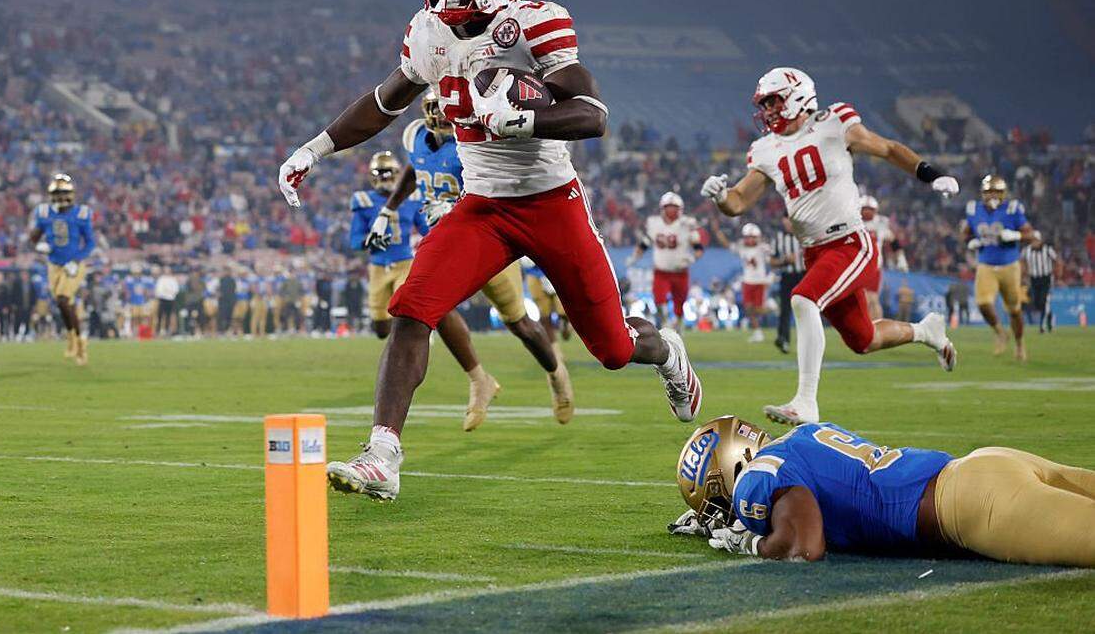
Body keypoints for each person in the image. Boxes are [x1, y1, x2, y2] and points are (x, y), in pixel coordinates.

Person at [278, 0, 702, 501]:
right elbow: (384, 103)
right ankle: (383, 453)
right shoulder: (429, 32)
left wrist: (528, 118)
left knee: (612, 348)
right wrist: (315, 147)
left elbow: (593, 115)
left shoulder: (533, 22)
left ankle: (669, 353)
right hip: (482, 208)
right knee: (411, 309)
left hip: (552, 202)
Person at [702, 67, 957, 426]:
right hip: (815, 251)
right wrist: (720, 197)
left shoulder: (834, 122)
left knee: (803, 299)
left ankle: (806, 402)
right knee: (863, 339)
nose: (769, 110)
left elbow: (886, 148)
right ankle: (926, 331)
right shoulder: (764, 149)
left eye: (773, 101)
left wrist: (930, 174)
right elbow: (739, 202)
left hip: (850, 241)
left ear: (798, 95)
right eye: (765, 104)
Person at [371, 91, 574, 429]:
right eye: (432, 107)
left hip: (486, 240)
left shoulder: (473, 142)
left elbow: (495, 183)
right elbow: (414, 167)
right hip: (445, 244)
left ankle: (556, 373)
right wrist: (388, 208)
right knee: (427, 305)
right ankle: (479, 379)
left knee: (520, 323)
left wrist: (454, 207)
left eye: (442, 107)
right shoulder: (416, 137)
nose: (438, 114)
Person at [670, 415, 1095, 567]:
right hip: (983, 467)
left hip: (970, 505)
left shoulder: (757, 477)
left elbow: (805, 546)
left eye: (717, 498)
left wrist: (751, 543)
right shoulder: (804, 435)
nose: (723, 511)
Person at [349, 150, 430, 339]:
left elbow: (427, 229)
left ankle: (409, 342)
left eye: (386, 172)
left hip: (405, 263)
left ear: (396, 173)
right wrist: (368, 241)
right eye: (378, 173)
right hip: (378, 266)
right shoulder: (364, 200)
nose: (383, 177)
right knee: (381, 329)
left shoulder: (412, 197)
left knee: (405, 310)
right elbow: (354, 240)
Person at [964, 175, 1036, 361]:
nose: (992, 195)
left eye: (997, 191)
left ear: (1004, 193)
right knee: (983, 304)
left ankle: (1020, 344)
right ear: (982, 193)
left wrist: (1015, 235)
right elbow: (965, 233)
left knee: (1014, 310)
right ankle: (999, 332)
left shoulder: (1013, 209)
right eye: (989, 192)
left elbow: (1031, 235)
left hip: (1010, 265)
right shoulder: (974, 209)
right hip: (986, 264)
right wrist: (970, 241)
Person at [29, 173, 95, 364]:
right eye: (56, 193)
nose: (59, 197)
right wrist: (39, 245)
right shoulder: (43, 213)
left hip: (73, 265)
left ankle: (76, 342)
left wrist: (77, 260)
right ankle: (76, 339)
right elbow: (33, 238)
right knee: (65, 304)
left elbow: (90, 243)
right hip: (54, 265)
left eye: (62, 193)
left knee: (63, 299)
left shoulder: (81, 214)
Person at [628, 191, 704, 332]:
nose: (671, 210)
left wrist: (692, 259)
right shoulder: (654, 223)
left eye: (674, 207)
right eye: (668, 206)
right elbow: (645, 242)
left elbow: (699, 248)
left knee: (679, 304)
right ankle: (665, 325)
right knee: (659, 299)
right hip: (661, 271)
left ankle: (678, 324)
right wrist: (635, 256)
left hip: (680, 271)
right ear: (662, 208)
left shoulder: (686, 224)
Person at [712, 222, 770, 343]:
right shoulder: (741, 247)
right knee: (748, 308)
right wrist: (718, 232)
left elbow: (773, 259)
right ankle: (757, 332)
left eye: (752, 237)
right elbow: (726, 244)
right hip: (747, 281)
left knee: (759, 309)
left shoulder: (763, 248)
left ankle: (773, 308)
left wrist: (771, 276)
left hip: (760, 281)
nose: (749, 239)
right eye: (747, 237)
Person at [859, 195, 906, 320]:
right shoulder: (853, 222)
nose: (867, 211)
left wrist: (901, 259)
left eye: (870, 209)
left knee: (872, 299)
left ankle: (877, 327)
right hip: (856, 266)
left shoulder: (880, 223)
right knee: (861, 300)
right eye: (865, 208)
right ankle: (864, 328)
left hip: (874, 266)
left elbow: (893, 241)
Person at [769, 217, 803, 354]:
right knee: (785, 309)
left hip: (804, 275)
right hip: (787, 276)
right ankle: (783, 339)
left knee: (806, 309)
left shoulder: (804, 234)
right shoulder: (778, 238)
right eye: (786, 220)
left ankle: (809, 340)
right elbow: (771, 261)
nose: (788, 223)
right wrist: (784, 260)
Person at [1023, 231, 1058, 334]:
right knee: (1038, 303)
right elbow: (1022, 261)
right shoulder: (1027, 250)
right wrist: (1024, 274)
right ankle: (1049, 317)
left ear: (1040, 240)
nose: (1034, 242)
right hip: (1034, 279)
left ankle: (1041, 327)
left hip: (1046, 278)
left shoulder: (1047, 249)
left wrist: (1057, 275)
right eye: (1032, 240)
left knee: (1044, 301)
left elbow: (1057, 260)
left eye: (1036, 240)